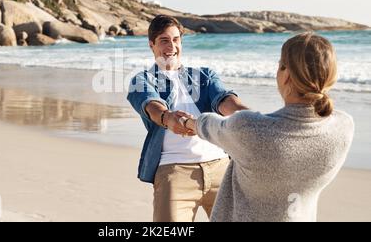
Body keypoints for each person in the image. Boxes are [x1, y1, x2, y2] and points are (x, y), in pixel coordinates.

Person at [184, 32, 355, 222]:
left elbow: (211, 126)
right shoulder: (343, 127)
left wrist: (186, 122)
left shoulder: (251, 129)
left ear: (286, 74)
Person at [127, 15, 248, 222]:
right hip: (174, 171)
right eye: (164, 40)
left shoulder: (204, 75)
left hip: (220, 168)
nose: (171, 46)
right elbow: (152, 106)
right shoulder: (142, 80)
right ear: (151, 45)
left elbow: (224, 100)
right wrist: (168, 118)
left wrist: (248, 116)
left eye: (176, 39)